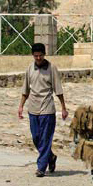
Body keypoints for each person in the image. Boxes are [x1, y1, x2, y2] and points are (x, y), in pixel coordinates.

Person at [18, 43, 68, 177]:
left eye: (40, 55)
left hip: (47, 108)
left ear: (44, 55)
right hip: (33, 108)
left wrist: (63, 107)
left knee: (46, 138)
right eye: (36, 56)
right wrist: (21, 106)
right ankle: (50, 157)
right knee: (36, 138)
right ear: (33, 56)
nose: (38, 58)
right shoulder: (30, 69)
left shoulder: (52, 68)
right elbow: (25, 90)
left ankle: (41, 167)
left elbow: (58, 90)